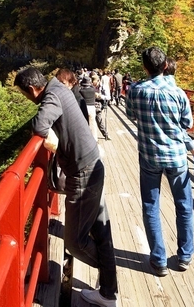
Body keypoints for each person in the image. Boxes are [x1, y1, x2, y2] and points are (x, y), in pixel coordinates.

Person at [15, 67, 118, 307]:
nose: (27, 98)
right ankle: (108, 291)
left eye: (24, 94)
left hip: (83, 174)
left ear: (31, 89)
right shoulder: (59, 87)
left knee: (75, 242)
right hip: (92, 165)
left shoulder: (51, 96)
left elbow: (40, 126)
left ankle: (108, 278)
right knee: (100, 232)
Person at [126, 47, 194, 276]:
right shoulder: (178, 93)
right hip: (176, 157)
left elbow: (131, 115)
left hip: (149, 156)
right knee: (184, 206)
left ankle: (159, 260)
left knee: (151, 207)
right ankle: (184, 256)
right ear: (166, 65)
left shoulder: (136, 91)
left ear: (145, 67)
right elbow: (187, 123)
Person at [163, 57, 194, 178]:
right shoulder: (178, 91)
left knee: (181, 133)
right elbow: (188, 123)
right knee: (182, 132)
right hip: (177, 128)